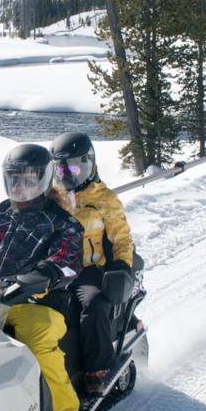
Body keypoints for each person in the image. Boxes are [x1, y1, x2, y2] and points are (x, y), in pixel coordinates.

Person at [0, 143, 84, 411]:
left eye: (28, 179)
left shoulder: (61, 221)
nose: (20, 186)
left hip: (40, 300)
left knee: (36, 339)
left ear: (43, 180)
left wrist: (45, 272)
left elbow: (68, 258)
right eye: (14, 179)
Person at [50, 131, 135, 395]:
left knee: (93, 304)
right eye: (61, 168)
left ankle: (97, 371)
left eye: (74, 167)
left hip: (87, 269)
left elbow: (122, 238)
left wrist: (122, 267)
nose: (67, 174)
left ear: (89, 163)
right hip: (54, 269)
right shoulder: (50, 197)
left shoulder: (104, 199)